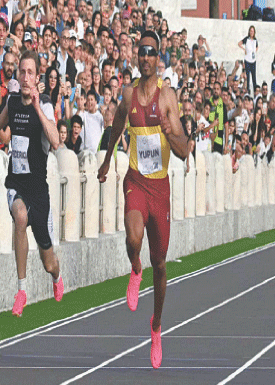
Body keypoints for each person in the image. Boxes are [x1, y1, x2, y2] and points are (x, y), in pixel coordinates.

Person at [97, 30, 189, 368]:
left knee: (161, 264)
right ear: (137, 57)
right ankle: (135, 268)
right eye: (141, 52)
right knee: (133, 238)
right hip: (135, 180)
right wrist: (107, 159)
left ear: (158, 57)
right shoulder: (128, 94)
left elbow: (183, 149)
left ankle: (156, 326)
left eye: (151, 51)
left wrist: (168, 131)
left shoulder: (167, 98)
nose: (146, 57)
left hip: (160, 188)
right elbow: (117, 125)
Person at [0, 51, 63, 317]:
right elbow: (2, 119)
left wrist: (38, 108)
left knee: (48, 261)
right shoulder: (13, 101)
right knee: (19, 217)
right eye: (22, 72)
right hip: (16, 182)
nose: (26, 77)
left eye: (30, 73)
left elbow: (56, 142)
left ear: (37, 76)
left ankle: (57, 276)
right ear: (18, 75)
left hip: (39, 191)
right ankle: (21, 291)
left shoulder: (44, 105)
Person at [238, 25, 258, 93]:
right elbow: (239, 43)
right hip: (247, 60)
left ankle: (255, 91)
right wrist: (244, 49)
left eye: (253, 31)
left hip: (253, 60)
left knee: (254, 77)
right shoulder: (247, 39)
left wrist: (254, 52)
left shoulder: (255, 40)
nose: (252, 32)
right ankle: (248, 91)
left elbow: (257, 47)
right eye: (251, 31)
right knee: (248, 77)